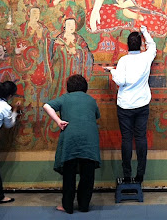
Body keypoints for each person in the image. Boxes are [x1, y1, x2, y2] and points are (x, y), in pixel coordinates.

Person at [104, 25, 156, 183]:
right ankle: (140, 175)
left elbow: (120, 81)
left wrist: (112, 71)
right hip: (142, 105)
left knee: (126, 139)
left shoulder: (123, 61)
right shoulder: (146, 57)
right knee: (141, 138)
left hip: (125, 106)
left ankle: (127, 175)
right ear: (140, 45)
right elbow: (153, 45)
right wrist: (145, 31)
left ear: (127, 45)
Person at [43, 74, 101, 214]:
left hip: (71, 140)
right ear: (84, 87)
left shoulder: (65, 98)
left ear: (69, 87)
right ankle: (84, 206)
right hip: (89, 141)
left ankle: (67, 206)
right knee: (88, 176)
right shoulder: (91, 100)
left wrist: (58, 121)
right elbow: (96, 116)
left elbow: (47, 106)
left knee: (69, 175)